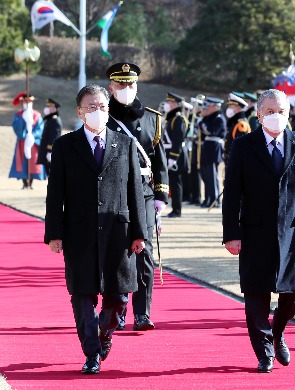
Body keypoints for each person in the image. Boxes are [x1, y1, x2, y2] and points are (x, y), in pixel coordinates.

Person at [44, 84, 147, 374]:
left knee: (119, 297)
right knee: (83, 294)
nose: (97, 111)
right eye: (91, 107)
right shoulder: (65, 146)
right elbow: (55, 194)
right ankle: (91, 353)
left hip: (118, 231)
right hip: (79, 231)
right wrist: (54, 233)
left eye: (102, 106)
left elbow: (135, 191)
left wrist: (140, 232)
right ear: (79, 112)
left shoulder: (124, 144)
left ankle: (104, 335)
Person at [222, 89, 295, 373]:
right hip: (254, 232)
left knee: (292, 296)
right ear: (259, 114)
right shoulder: (244, 146)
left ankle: (277, 331)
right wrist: (231, 233)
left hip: (291, 233)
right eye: (269, 111)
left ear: (288, 114)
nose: (275, 116)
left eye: (280, 111)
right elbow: (231, 193)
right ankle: (264, 351)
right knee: (256, 295)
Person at [104, 62, 169, 331]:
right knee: (116, 251)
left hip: (142, 191)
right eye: (121, 84)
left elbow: (160, 162)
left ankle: (142, 313)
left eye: (130, 84)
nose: (126, 89)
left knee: (144, 253)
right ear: (111, 87)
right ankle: (118, 310)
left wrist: (160, 197)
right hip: (114, 191)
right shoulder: (102, 115)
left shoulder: (152, 118)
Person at [9, 92, 46, 188]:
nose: (28, 104)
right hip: (22, 141)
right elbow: (16, 127)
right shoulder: (19, 114)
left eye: (29, 102)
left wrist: (32, 136)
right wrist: (22, 121)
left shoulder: (37, 115)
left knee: (33, 161)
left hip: (33, 142)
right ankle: (24, 182)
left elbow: (40, 128)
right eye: (26, 102)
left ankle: (31, 182)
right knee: (22, 161)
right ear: (22, 103)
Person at [162, 92, 189, 218]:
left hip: (176, 155)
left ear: (174, 104)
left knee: (176, 183)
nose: (166, 104)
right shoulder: (172, 118)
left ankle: (177, 210)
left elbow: (178, 140)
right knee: (173, 182)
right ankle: (174, 209)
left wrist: (173, 158)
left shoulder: (178, 119)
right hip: (170, 153)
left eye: (169, 102)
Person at [199, 97, 227, 207]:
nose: (207, 108)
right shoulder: (211, 117)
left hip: (214, 148)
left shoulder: (219, 118)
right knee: (206, 175)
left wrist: (202, 124)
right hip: (208, 147)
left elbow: (210, 131)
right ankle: (209, 198)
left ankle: (215, 200)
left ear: (215, 107)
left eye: (209, 106)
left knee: (212, 175)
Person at [223, 93, 252, 166]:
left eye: (231, 106)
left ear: (238, 108)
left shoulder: (241, 124)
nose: (229, 108)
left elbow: (242, 147)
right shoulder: (234, 122)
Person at [37, 98, 63, 176]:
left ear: (54, 109)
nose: (47, 109)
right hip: (46, 150)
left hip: (50, 151)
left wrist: (50, 151)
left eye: (49, 107)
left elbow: (54, 137)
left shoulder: (55, 121)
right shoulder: (50, 120)